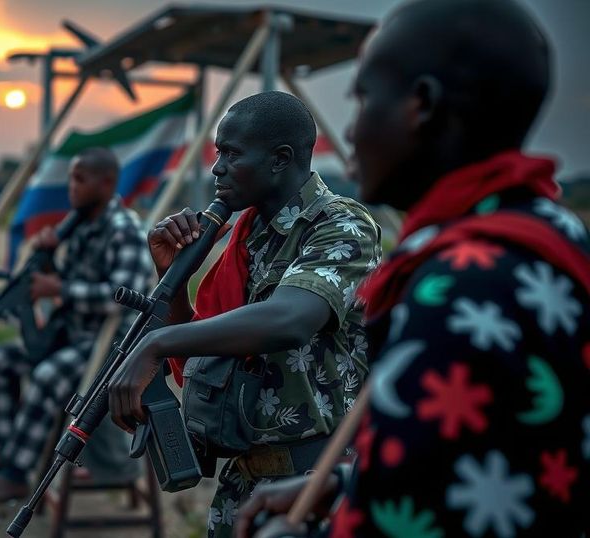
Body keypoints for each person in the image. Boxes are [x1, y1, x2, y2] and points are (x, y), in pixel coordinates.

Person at [238, 1, 590, 536]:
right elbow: (485, 453)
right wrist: (347, 487)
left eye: (362, 100)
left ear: (421, 105)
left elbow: (418, 520)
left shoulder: (458, 288)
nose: (350, 132)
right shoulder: (551, 232)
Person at [107, 91, 382, 538]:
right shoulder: (246, 236)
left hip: (317, 485)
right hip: (245, 482)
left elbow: (292, 319)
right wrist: (173, 275)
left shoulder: (340, 224)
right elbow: (201, 356)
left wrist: (154, 344)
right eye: (219, 154)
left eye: (231, 154)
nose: (217, 168)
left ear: (279, 159)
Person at [0, 147, 154, 503]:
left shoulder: (123, 229)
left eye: (80, 179)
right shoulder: (81, 224)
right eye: (71, 179)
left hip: (109, 347)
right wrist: (48, 261)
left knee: (48, 376)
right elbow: (73, 279)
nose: (72, 188)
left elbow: (126, 294)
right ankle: (7, 455)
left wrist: (59, 288)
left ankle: (18, 474)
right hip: (72, 337)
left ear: (107, 182)